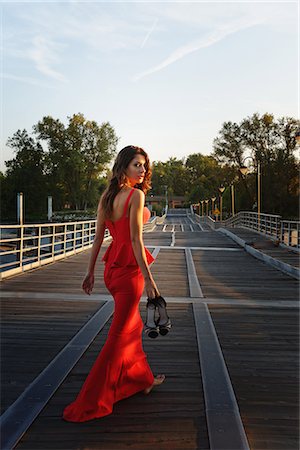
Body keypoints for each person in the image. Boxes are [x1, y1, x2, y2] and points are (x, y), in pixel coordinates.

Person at [62, 145, 165, 422]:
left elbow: (98, 239)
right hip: (129, 272)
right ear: (123, 167)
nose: (142, 170)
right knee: (119, 336)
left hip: (111, 272)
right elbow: (135, 240)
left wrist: (91, 272)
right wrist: (150, 279)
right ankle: (91, 400)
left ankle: (142, 380)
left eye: (144, 165)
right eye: (136, 165)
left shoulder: (107, 197)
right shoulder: (135, 195)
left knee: (131, 327)